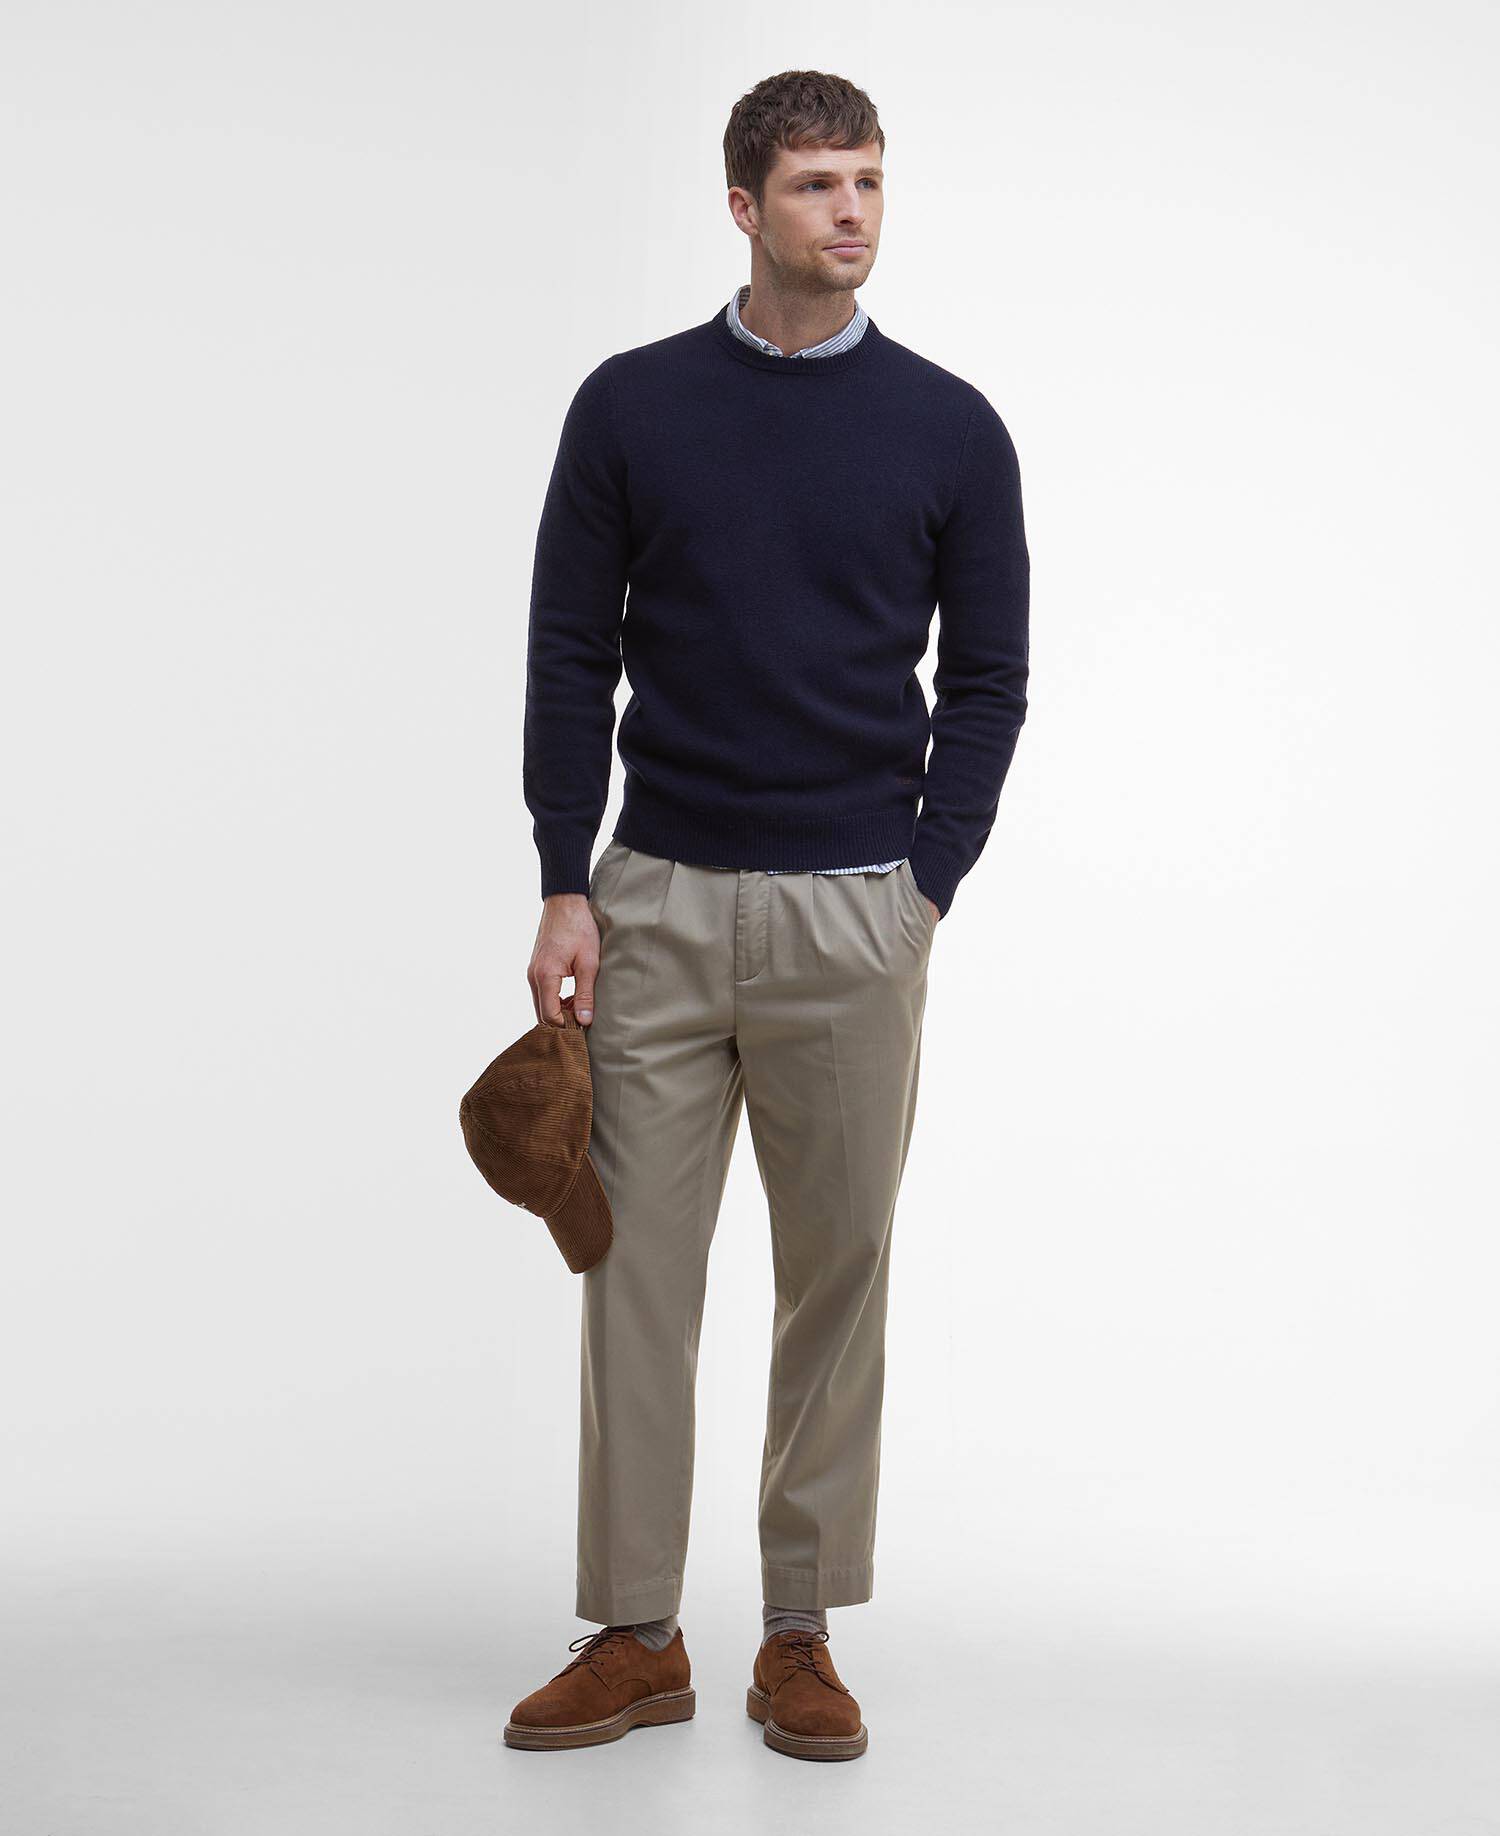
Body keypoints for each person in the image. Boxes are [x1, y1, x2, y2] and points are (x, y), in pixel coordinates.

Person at [504, 68, 1029, 1761]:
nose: (851, 210)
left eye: (867, 179)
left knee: (837, 1275)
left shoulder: (951, 427)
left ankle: (797, 1630)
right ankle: (637, 1631)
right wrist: (564, 873)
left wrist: (925, 885)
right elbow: (570, 648)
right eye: (815, 184)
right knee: (630, 1269)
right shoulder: (631, 406)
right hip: (653, 903)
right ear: (743, 206)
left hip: (855, 911)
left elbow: (992, 678)